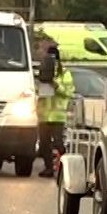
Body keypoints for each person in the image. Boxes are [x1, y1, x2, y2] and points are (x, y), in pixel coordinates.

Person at [37, 41, 74, 177]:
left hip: (58, 115)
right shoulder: (42, 70)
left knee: (58, 142)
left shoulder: (64, 74)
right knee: (44, 144)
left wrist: (56, 85)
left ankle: (65, 167)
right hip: (44, 115)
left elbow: (69, 92)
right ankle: (49, 168)